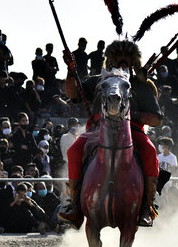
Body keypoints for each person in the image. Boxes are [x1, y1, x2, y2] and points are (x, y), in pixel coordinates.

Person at [59, 39, 162, 229]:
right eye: (118, 56)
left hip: (132, 131)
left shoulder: (142, 85)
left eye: (127, 56)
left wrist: (130, 114)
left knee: (149, 151)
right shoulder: (99, 80)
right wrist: (71, 70)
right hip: (97, 130)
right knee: (74, 151)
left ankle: (147, 206)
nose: (123, 59)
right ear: (111, 59)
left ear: (134, 60)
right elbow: (73, 94)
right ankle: (74, 206)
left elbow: (156, 119)